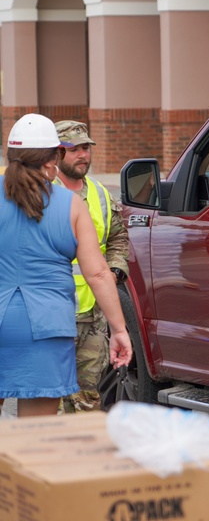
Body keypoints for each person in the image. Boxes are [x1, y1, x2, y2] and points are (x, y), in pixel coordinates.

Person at [0, 114, 132, 417]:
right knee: (37, 433)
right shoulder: (69, 204)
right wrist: (119, 329)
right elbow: (98, 273)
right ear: (52, 161)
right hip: (47, 328)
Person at [53, 120, 130, 413]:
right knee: (54, 398)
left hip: (93, 314)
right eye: (74, 149)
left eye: (86, 148)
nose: (83, 155)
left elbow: (118, 237)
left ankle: (83, 454)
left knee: (87, 397)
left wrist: (114, 271)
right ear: (57, 153)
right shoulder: (43, 193)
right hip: (54, 312)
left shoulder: (99, 193)